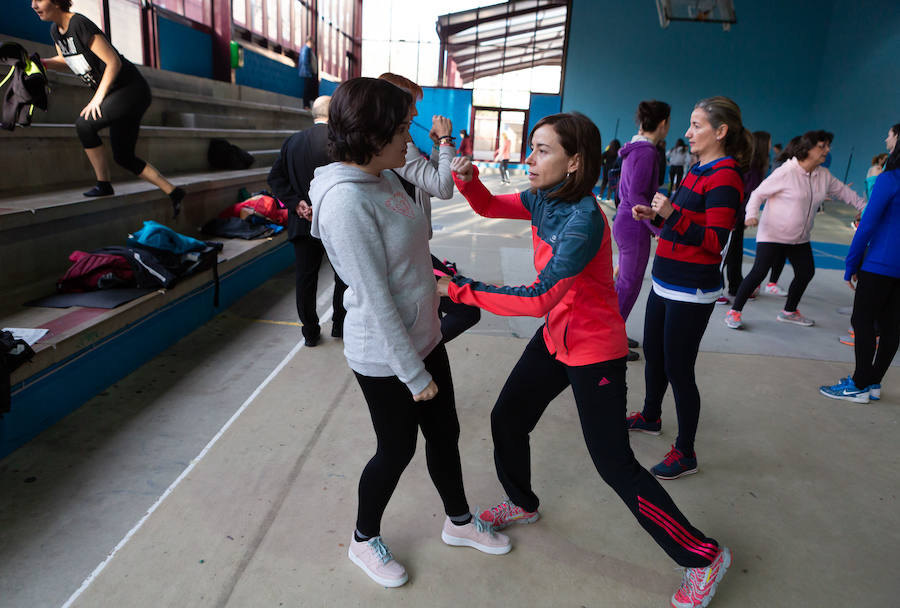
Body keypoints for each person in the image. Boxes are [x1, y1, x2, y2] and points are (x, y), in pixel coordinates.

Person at [440, 112, 731, 608]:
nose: (530, 158)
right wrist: (468, 183)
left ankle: (702, 557)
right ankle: (522, 502)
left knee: (615, 464)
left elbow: (535, 298)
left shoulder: (583, 222)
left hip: (593, 350)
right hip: (557, 337)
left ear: (574, 162)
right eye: (532, 147)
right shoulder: (541, 197)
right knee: (508, 417)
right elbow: (489, 206)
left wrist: (460, 290)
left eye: (543, 150)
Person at [308, 77, 510, 589]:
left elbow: (409, 251)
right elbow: (375, 301)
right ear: (372, 135)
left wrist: (432, 288)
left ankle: (459, 523)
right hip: (386, 356)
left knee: (445, 434)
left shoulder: (384, 177)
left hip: (424, 336)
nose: (408, 137)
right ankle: (362, 537)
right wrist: (413, 374)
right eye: (401, 128)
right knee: (395, 450)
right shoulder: (347, 202)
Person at [628, 97, 748, 481]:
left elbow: (716, 241)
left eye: (696, 125)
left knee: (679, 368)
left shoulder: (726, 176)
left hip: (691, 290)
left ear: (721, 131)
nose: (687, 132)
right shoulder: (699, 168)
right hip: (666, 280)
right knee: (654, 352)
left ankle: (686, 451)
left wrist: (671, 215)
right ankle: (650, 416)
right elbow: (682, 226)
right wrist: (658, 218)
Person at [34, 0, 185, 214]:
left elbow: (113, 62)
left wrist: (98, 98)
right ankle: (174, 191)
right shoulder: (55, 31)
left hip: (130, 89)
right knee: (123, 156)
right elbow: (66, 59)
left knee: (85, 125)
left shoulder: (79, 24)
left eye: (38, 0)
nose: (33, 5)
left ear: (57, 2)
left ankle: (103, 185)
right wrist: (44, 63)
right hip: (117, 93)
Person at [724, 130, 866, 330]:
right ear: (807, 149)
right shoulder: (786, 172)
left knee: (806, 272)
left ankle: (789, 311)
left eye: (828, 146)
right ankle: (734, 312)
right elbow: (757, 194)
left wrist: (866, 208)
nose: (827, 150)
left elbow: (845, 193)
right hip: (773, 234)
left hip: (799, 237)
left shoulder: (823, 175)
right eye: (822, 146)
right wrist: (751, 215)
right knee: (758, 272)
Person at [377, 72, 481, 342]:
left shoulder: (402, 142)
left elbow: (426, 183)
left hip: (412, 248)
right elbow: (442, 188)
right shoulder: (397, 144)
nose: (415, 111)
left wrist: (436, 147)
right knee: (465, 310)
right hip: (405, 257)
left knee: (433, 314)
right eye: (411, 103)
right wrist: (446, 142)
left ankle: (421, 351)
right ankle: (420, 352)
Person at [820, 123, 900, 403]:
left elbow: (866, 226)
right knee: (891, 325)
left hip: (880, 263)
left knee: (863, 319)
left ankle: (859, 383)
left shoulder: (890, 179)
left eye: (890, 135)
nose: (886, 138)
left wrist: (852, 262)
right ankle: (873, 382)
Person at [267, 95, 346, 347]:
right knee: (343, 276)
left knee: (305, 279)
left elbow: (275, 179)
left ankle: (310, 333)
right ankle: (339, 326)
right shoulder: (340, 141)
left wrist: (296, 203)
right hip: (336, 223)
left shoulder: (292, 141)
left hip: (303, 221)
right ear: (334, 113)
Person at [614, 100, 670, 361]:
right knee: (628, 285)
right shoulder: (647, 152)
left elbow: (623, 191)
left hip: (626, 221)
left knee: (624, 283)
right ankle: (610, 341)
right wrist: (655, 226)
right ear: (663, 124)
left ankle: (613, 331)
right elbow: (637, 193)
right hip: (634, 224)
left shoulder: (633, 149)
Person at [719, 130, 771, 303]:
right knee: (724, 254)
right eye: (769, 143)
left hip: (739, 218)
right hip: (732, 217)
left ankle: (735, 286)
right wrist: (736, 217)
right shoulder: (748, 168)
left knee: (735, 253)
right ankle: (716, 288)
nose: (771, 146)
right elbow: (741, 195)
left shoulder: (756, 167)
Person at [297, 36, 318, 110]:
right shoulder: (306, 49)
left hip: (308, 73)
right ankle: (306, 105)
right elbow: (305, 61)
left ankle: (307, 105)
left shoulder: (307, 49)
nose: (313, 45)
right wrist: (309, 73)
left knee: (309, 90)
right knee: (307, 90)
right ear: (309, 41)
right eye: (313, 43)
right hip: (307, 73)